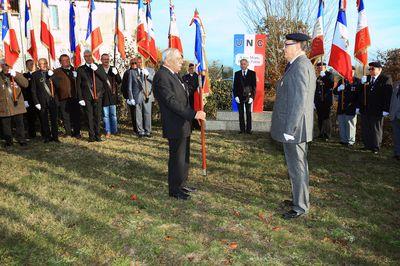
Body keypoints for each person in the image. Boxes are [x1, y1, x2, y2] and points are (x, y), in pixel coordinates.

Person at [270, 33, 316, 219]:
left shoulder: (300, 66)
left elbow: (299, 101)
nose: (284, 48)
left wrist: (290, 129)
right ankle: (299, 200)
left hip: (294, 129)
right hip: (295, 127)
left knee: (297, 168)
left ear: (298, 46)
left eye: (287, 45)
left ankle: (300, 207)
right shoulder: (296, 65)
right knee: (297, 167)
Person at [153, 48, 206, 200]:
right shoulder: (162, 76)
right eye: (178, 59)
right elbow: (171, 102)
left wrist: (198, 78)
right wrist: (194, 114)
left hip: (183, 123)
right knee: (177, 157)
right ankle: (174, 189)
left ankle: (182, 183)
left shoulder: (174, 75)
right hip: (174, 123)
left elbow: (186, 92)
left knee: (184, 156)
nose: (181, 61)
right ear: (168, 60)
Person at [357, 61, 393, 154]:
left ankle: (376, 147)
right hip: (366, 108)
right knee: (366, 127)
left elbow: (388, 95)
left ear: (379, 69)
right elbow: (360, 93)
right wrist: (361, 84)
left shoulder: (385, 78)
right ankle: (367, 145)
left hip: (378, 109)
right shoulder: (367, 78)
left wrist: (386, 109)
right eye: (369, 69)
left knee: (376, 128)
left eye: (372, 68)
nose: (370, 70)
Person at [76, 50, 109, 142]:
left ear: (92, 56)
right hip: (86, 97)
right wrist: (80, 98)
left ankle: (98, 136)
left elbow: (104, 78)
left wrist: (97, 70)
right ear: (84, 57)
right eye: (86, 56)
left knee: (98, 116)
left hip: (98, 95)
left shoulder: (99, 67)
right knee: (89, 116)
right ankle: (91, 136)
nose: (88, 57)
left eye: (90, 55)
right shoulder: (80, 69)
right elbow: (78, 85)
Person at [0, 60, 29, 147]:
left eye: (8, 64)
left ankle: (22, 139)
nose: (7, 66)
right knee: (6, 124)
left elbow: (25, 84)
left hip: (17, 103)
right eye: (5, 65)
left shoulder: (16, 74)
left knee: (19, 123)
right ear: (1, 66)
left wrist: (16, 75)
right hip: (4, 104)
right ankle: (9, 141)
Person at [31, 58, 60, 143]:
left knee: (54, 119)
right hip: (41, 101)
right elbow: (33, 90)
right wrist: (36, 102)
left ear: (47, 64)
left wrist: (52, 76)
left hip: (52, 100)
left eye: (43, 63)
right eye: (40, 64)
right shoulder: (35, 75)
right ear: (38, 65)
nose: (42, 65)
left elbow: (58, 85)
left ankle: (55, 137)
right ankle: (47, 137)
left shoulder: (52, 73)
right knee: (44, 120)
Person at [53, 54, 81, 138]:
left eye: (67, 60)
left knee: (76, 115)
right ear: (60, 62)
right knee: (65, 116)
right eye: (63, 60)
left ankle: (77, 132)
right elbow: (54, 85)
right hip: (63, 97)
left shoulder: (76, 70)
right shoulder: (56, 72)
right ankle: (68, 132)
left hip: (74, 96)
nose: (66, 62)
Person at [127, 57, 155, 137]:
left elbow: (155, 81)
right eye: (137, 62)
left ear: (144, 62)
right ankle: (140, 131)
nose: (139, 64)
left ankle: (148, 131)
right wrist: (131, 97)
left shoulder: (150, 70)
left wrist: (148, 75)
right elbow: (130, 86)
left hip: (147, 95)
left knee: (147, 113)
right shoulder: (132, 72)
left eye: (140, 62)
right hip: (137, 96)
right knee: (138, 114)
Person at [333, 66, 361, 147]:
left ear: (354, 72)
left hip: (351, 106)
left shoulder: (357, 81)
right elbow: (335, 92)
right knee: (342, 123)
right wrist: (338, 89)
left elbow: (359, 95)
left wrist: (358, 107)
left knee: (350, 124)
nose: (350, 73)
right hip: (341, 106)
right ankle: (343, 140)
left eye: (352, 71)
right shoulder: (342, 81)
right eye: (349, 71)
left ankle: (351, 141)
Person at [100, 53, 122, 138]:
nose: (106, 61)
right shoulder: (99, 69)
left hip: (112, 95)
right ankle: (108, 131)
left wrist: (116, 74)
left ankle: (114, 130)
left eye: (107, 59)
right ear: (101, 60)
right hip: (104, 95)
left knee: (113, 115)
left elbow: (119, 81)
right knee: (105, 116)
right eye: (104, 59)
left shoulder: (113, 68)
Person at [233, 58, 256, 134]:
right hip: (239, 97)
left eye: (244, 64)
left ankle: (249, 130)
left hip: (248, 97)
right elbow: (235, 86)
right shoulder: (237, 73)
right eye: (241, 64)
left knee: (248, 114)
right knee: (241, 114)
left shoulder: (252, 73)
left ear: (247, 64)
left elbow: (254, 87)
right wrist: (235, 96)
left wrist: (252, 97)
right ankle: (242, 130)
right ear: (240, 65)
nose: (243, 65)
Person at [314, 62, 334, 141]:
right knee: (320, 118)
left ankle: (327, 135)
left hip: (326, 101)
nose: (319, 68)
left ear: (324, 67)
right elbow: (317, 89)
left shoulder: (329, 75)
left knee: (326, 118)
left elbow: (331, 84)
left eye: (320, 67)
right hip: (319, 101)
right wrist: (315, 100)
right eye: (318, 67)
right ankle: (321, 133)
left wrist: (324, 76)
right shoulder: (319, 77)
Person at [22, 59, 39, 139]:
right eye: (29, 64)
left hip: (39, 99)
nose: (31, 65)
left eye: (33, 64)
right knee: (30, 118)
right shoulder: (24, 76)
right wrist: (25, 100)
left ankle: (45, 133)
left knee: (41, 117)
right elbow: (23, 89)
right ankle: (32, 134)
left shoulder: (39, 74)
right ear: (26, 66)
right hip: (30, 100)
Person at [122, 58, 138, 134]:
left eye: (135, 63)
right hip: (132, 98)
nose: (134, 64)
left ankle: (142, 129)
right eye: (132, 63)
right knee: (134, 114)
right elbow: (124, 86)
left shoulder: (141, 71)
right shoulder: (127, 72)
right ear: (130, 64)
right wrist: (127, 97)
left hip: (140, 97)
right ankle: (136, 129)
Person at [182, 63, 200, 130]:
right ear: (188, 69)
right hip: (187, 97)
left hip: (195, 97)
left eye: (193, 68)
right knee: (189, 111)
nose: (191, 70)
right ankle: (190, 126)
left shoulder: (198, 76)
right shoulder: (185, 77)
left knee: (195, 110)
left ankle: (197, 125)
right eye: (190, 68)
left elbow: (197, 86)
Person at [389, 80, 400, 160]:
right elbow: (392, 99)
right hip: (394, 115)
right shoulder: (396, 83)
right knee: (396, 136)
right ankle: (397, 153)